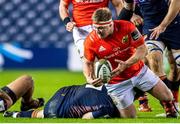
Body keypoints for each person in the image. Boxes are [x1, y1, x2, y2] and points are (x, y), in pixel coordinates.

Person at [83, 7, 177, 118]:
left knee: (168, 97)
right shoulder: (90, 41)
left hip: (139, 72)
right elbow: (87, 63)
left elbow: (143, 49)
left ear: (110, 24)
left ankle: (170, 112)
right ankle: (107, 112)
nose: (98, 31)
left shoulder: (127, 27)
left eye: (101, 28)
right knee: (130, 118)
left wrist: (126, 64)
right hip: (116, 83)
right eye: (96, 28)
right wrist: (89, 78)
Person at [135, 0, 180, 113]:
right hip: (150, 26)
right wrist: (132, 15)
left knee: (176, 70)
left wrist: (163, 25)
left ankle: (174, 98)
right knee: (153, 60)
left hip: (174, 25)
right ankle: (170, 107)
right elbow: (125, 6)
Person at [59, 0, 134, 59]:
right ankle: (91, 78)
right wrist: (67, 22)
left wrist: (120, 24)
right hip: (81, 29)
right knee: (87, 59)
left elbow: (118, 4)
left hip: (103, 26)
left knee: (109, 57)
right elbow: (63, 5)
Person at [4, 83, 120, 119]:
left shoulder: (103, 85)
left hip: (62, 92)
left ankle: (14, 114)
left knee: (46, 112)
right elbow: (86, 117)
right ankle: (16, 114)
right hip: (58, 111)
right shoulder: (107, 106)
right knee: (47, 113)